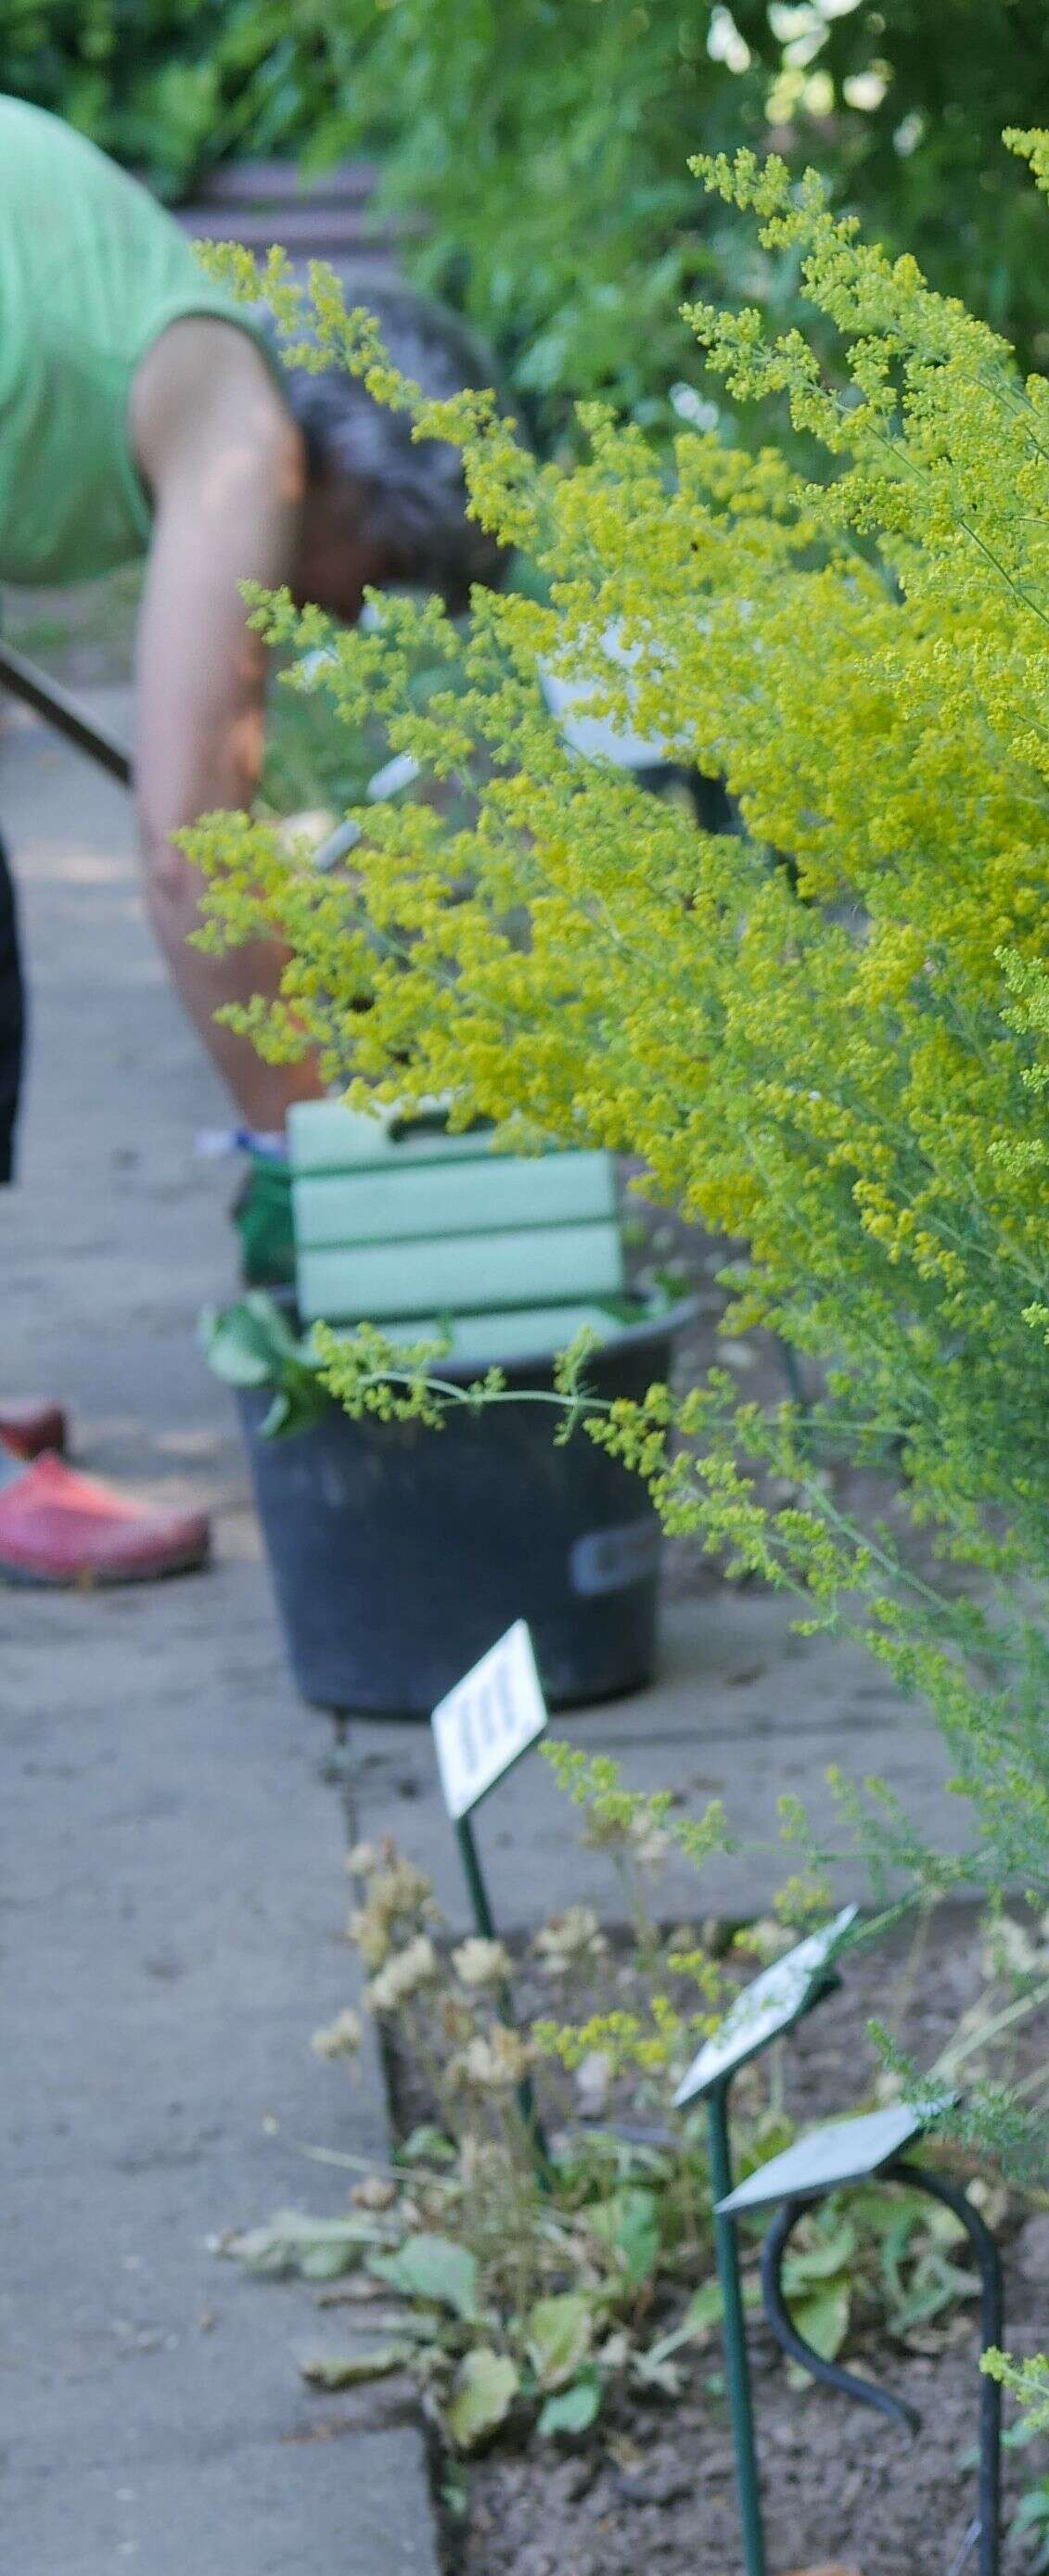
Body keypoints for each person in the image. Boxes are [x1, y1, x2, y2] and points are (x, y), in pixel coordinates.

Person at [0, 95, 498, 1584]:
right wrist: (320, 1162)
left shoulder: (169, 340)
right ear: (353, 481)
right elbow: (187, 859)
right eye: (382, 579)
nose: (346, 613)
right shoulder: (240, 424)